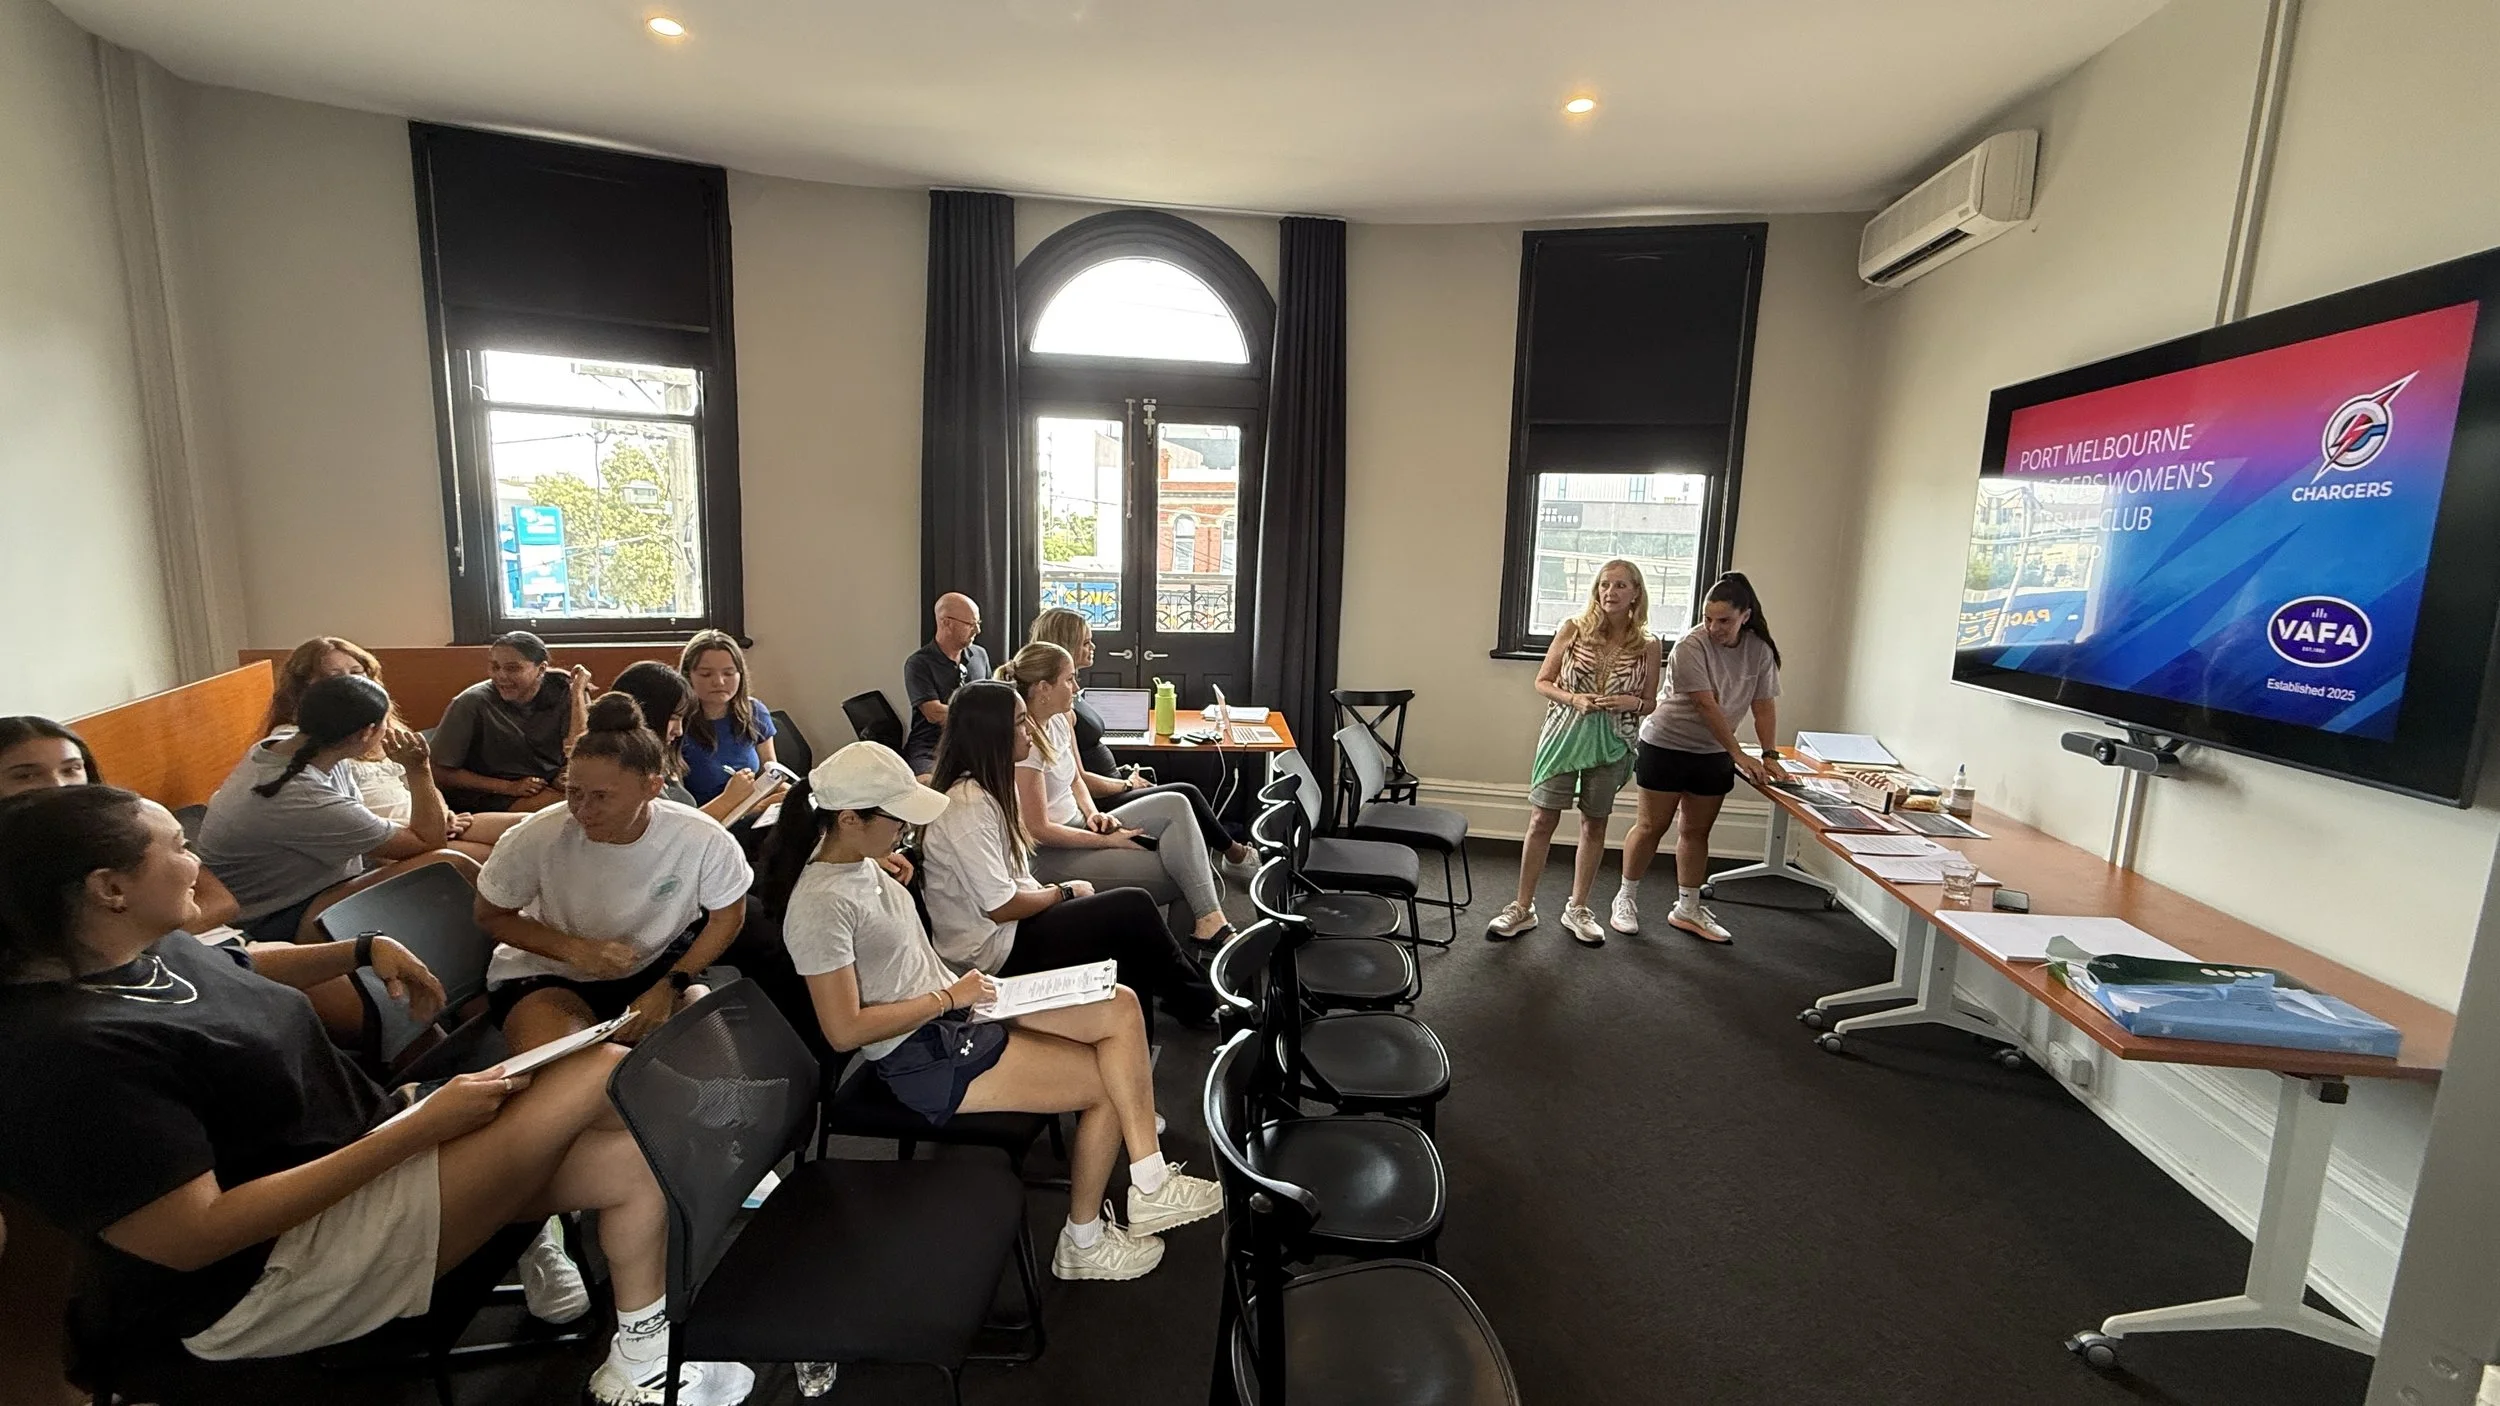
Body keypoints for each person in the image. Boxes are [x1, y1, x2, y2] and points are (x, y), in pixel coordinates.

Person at [0, 785, 755, 1406]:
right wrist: (419, 1130)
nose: (197, 860)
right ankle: (726, 1138)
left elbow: (243, 967)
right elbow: (195, 1236)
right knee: (600, 1068)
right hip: (278, 1273)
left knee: (627, 1160)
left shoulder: (148, 948)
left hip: (363, 1150)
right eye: (178, 846)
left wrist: (361, 949)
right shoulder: (70, 1054)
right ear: (110, 888)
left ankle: (640, 1367)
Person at [760, 742, 1222, 1282]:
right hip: (921, 1050)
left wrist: (952, 985)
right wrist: (948, 999)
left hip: (957, 1007)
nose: (906, 832)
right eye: (897, 820)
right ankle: (1083, 1241)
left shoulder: (860, 861)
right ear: (848, 818)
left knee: (1118, 1005)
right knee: (1106, 1082)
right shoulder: (819, 905)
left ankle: (1150, 1181)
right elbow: (842, 1032)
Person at [919, 680, 1216, 1028]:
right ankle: (1203, 999)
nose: (1029, 729)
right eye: (1019, 722)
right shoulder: (967, 808)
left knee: (1127, 924)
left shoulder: (990, 787)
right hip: (992, 952)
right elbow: (1001, 908)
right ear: (992, 733)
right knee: (1131, 906)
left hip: (1011, 927)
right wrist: (1064, 892)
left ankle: (1181, 1008)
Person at [475, 694, 752, 1055]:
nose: (583, 811)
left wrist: (671, 983)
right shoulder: (536, 836)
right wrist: (574, 950)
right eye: (574, 793)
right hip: (551, 975)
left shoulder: (700, 837)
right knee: (568, 1073)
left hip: (655, 970)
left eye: (602, 797)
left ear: (652, 787)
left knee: (709, 1062)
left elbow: (728, 917)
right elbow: (490, 915)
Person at [196, 676, 479, 945]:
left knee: (466, 856)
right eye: (384, 725)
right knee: (450, 863)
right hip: (274, 915)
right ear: (367, 732)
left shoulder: (286, 747)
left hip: (314, 884)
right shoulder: (304, 796)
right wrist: (419, 769)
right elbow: (430, 841)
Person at [994, 644, 1235, 946]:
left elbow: (1075, 779)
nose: (1077, 687)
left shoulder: (1057, 719)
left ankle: (1207, 927)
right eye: (1069, 679)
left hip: (1079, 824)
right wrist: (1105, 840)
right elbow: (1037, 830)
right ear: (1044, 688)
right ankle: (1186, 957)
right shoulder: (1025, 745)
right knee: (1186, 875)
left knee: (1178, 803)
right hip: (1051, 854)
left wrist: (1093, 812)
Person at [1487, 559, 1660, 947]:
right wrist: (1573, 698)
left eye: (1619, 586)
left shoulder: (1648, 644)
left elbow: (1650, 702)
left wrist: (1630, 701)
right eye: (1604, 585)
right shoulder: (1573, 629)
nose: (1609, 593)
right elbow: (1542, 681)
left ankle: (1578, 907)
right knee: (1541, 819)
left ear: (1636, 593)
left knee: (1594, 823)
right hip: (1563, 734)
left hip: (1613, 740)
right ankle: (1522, 906)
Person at [1617, 571, 1785, 945]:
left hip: (1712, 753)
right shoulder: (1690, 647)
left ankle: (1687, 909)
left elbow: (1763, 706)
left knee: (1695, 832)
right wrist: (1739, 753)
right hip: (1666, 744)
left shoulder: (1759, 651)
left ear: (1745, 615)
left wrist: (1770, 754)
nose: (1714, 627)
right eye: (1708, 618)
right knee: (1651, 826)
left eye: (1724, 620)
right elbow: (1706, 707)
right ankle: (1625, 898)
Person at [1028, 607, 1257, 878]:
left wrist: (1124, 775)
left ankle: (1216, 861)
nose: (1093, 647)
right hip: (1104, 799)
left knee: (1180, 794)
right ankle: (1236, 856)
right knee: (1186, 792)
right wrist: (1126, 784)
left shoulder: (1070, 694)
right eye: (1086, 642)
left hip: (1113, 784)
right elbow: (1080, 779)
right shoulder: (1057, 709)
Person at [262, 637, 524, 858]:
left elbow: (422, 783)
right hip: (394, 839)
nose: (351, 683)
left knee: (537, 827)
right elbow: (344, 822)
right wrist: (427, 827)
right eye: (334, 677)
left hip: (432, 821)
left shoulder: (381, 727)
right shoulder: (302, 744)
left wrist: (443, 815)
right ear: (305, 688)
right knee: (505, 856)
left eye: (356, 673)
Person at [1, 716, 240, 930]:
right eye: (26, 776)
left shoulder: (121, 824)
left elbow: (220, 901)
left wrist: (143, 935)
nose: (58, 786)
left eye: (71, 769)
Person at [603, 662, 784, 824]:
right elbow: (676, 831)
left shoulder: (663, 757)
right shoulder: (628, 772)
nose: (679, 731)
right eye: (673, 718)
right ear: (646, 715)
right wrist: (731, 799)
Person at [430, 632, 588, 814]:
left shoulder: (565, 691)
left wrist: (577, 693)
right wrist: (508, 787)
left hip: (540, 782)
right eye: (495, 667)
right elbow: (438, 772)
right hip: (488, 790)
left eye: (513, 669)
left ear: (541, 669)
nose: (501, 676)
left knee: (596, 791)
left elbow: (582, 750)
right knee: (572, 808)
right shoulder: (471, 702)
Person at [675, 631, 779, 806]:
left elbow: (770, 772)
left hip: (754, 814)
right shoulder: (675, 724)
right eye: (706, 674)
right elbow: (680, 809)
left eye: (729, 673)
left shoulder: (754, 711)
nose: (719, 682)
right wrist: (745, 804)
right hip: (707, 822)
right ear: (687, 676)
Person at [903, 593, 991, 779]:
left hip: (975, 745)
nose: (977, 630)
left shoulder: (980, 655)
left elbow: (991, 697)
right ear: (946, 623)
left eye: (978, 623)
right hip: (932, 746)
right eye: (970, 624)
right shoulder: (919, 663)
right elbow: (933, 713)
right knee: (932, 786)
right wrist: (979, 717)